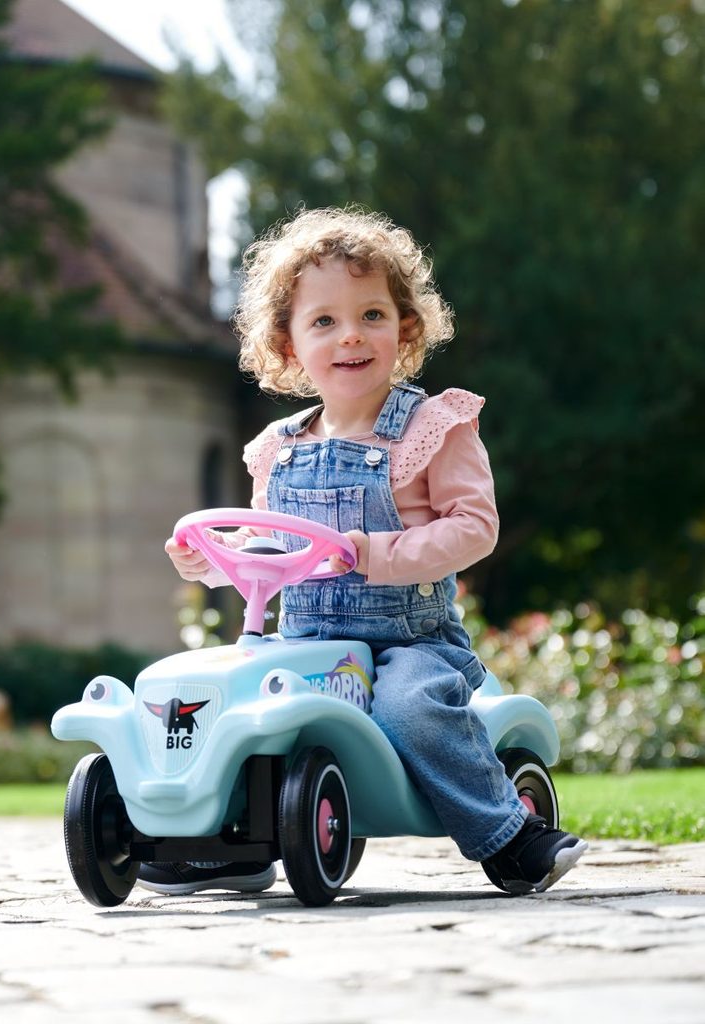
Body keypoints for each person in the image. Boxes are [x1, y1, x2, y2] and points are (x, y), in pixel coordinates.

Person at [138, 206, 587, 898]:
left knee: (408, 709)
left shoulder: (433, 426)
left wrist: (370, 551)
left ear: (403, 328)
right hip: (308, 645)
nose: (350, 335)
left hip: (410, 643)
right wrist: (217, 558)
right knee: (231, 696)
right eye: (323, 321)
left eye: (371, 315)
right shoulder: (279, 449)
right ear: (288, 344)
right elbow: (269, 546)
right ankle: (225, 842)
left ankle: (509, 833)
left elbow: (474, 528)